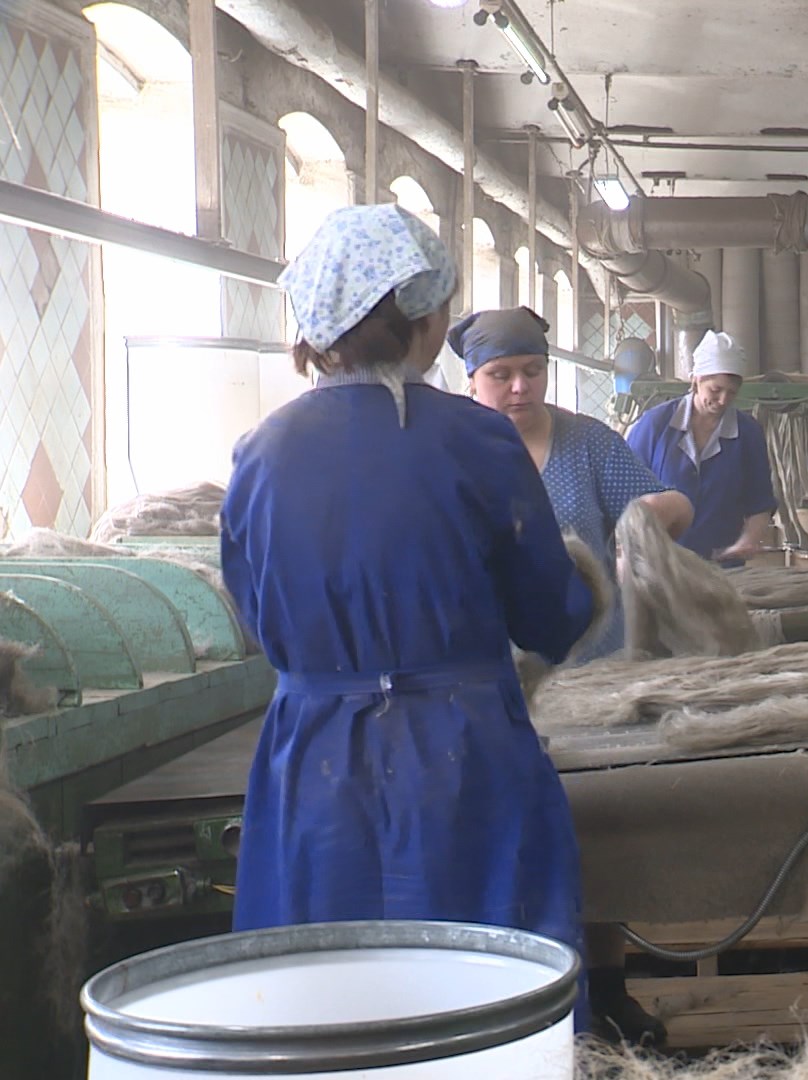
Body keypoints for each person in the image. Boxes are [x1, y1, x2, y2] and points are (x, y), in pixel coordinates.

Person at [219, 205, 606, 1030]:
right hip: (461, 755)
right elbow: (550, 616)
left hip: (313, 762)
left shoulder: (262, 452)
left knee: (319, 993)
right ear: (426, 318)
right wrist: (583, 584)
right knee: (488, 988)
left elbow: (256, 617)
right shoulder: (476, 440)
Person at [448, 306, 694, 663]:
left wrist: (658, 512)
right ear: (472, 379)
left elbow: (676, 507)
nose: (520, 387)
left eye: (533, 371)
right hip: (488, 665)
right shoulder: (449, 452)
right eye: (500, 375)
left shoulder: (588, 443)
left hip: (592, 662)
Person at [625, 330, 778, 565]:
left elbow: (760, 502)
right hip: (661, 566)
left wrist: (749, 539)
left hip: (723, 568)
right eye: (715, 390)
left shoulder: (748, 434)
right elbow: (624, 492)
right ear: (696, 380)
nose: (723, 400)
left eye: (732, 393)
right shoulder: (655, 425)